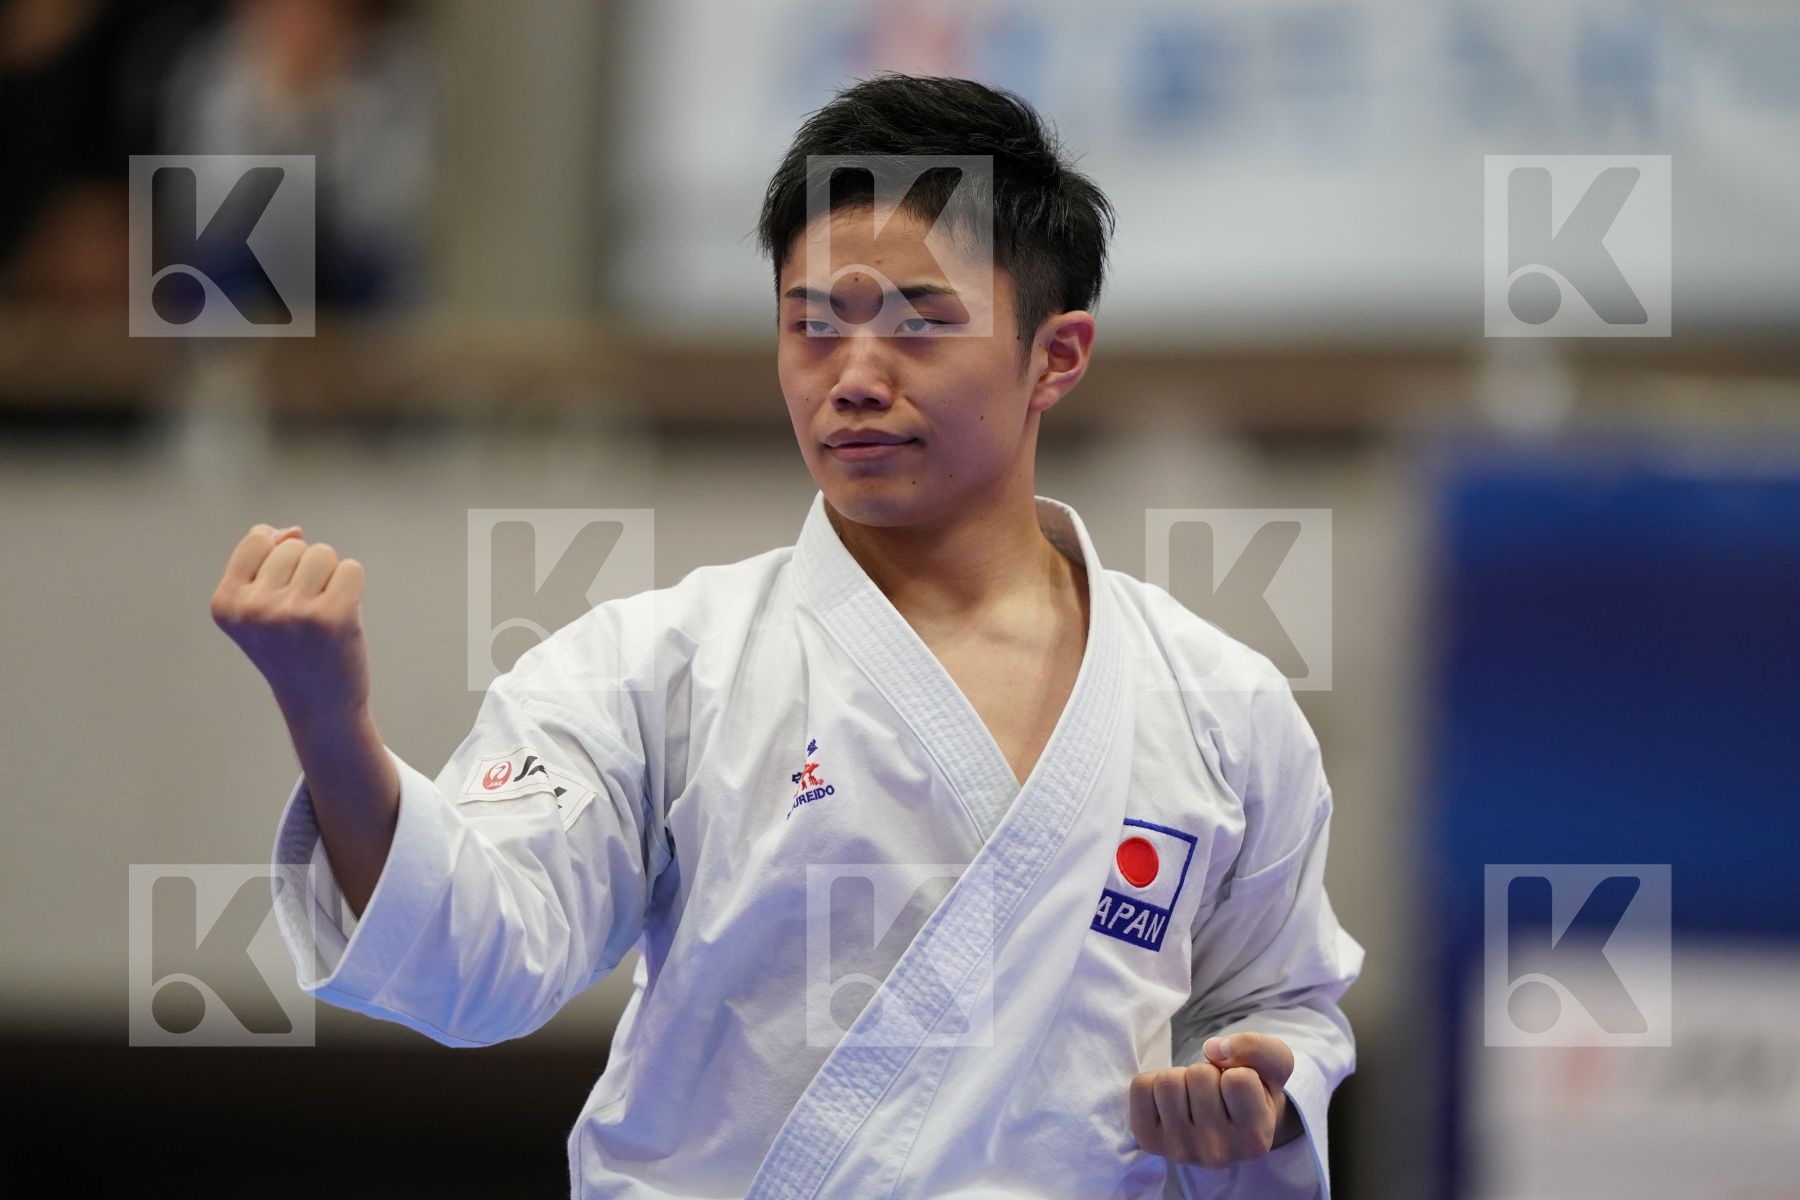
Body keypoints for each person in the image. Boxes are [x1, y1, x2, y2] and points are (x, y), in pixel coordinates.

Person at [212, 72, 1362, 1200]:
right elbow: (469, 966)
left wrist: (1257, 1095)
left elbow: (1283, 1003)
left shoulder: (1220, 703)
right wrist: (329, 720)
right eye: (814, 327)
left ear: (1055, 357)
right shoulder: (657, 667)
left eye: (919, 325)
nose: (853, 378)